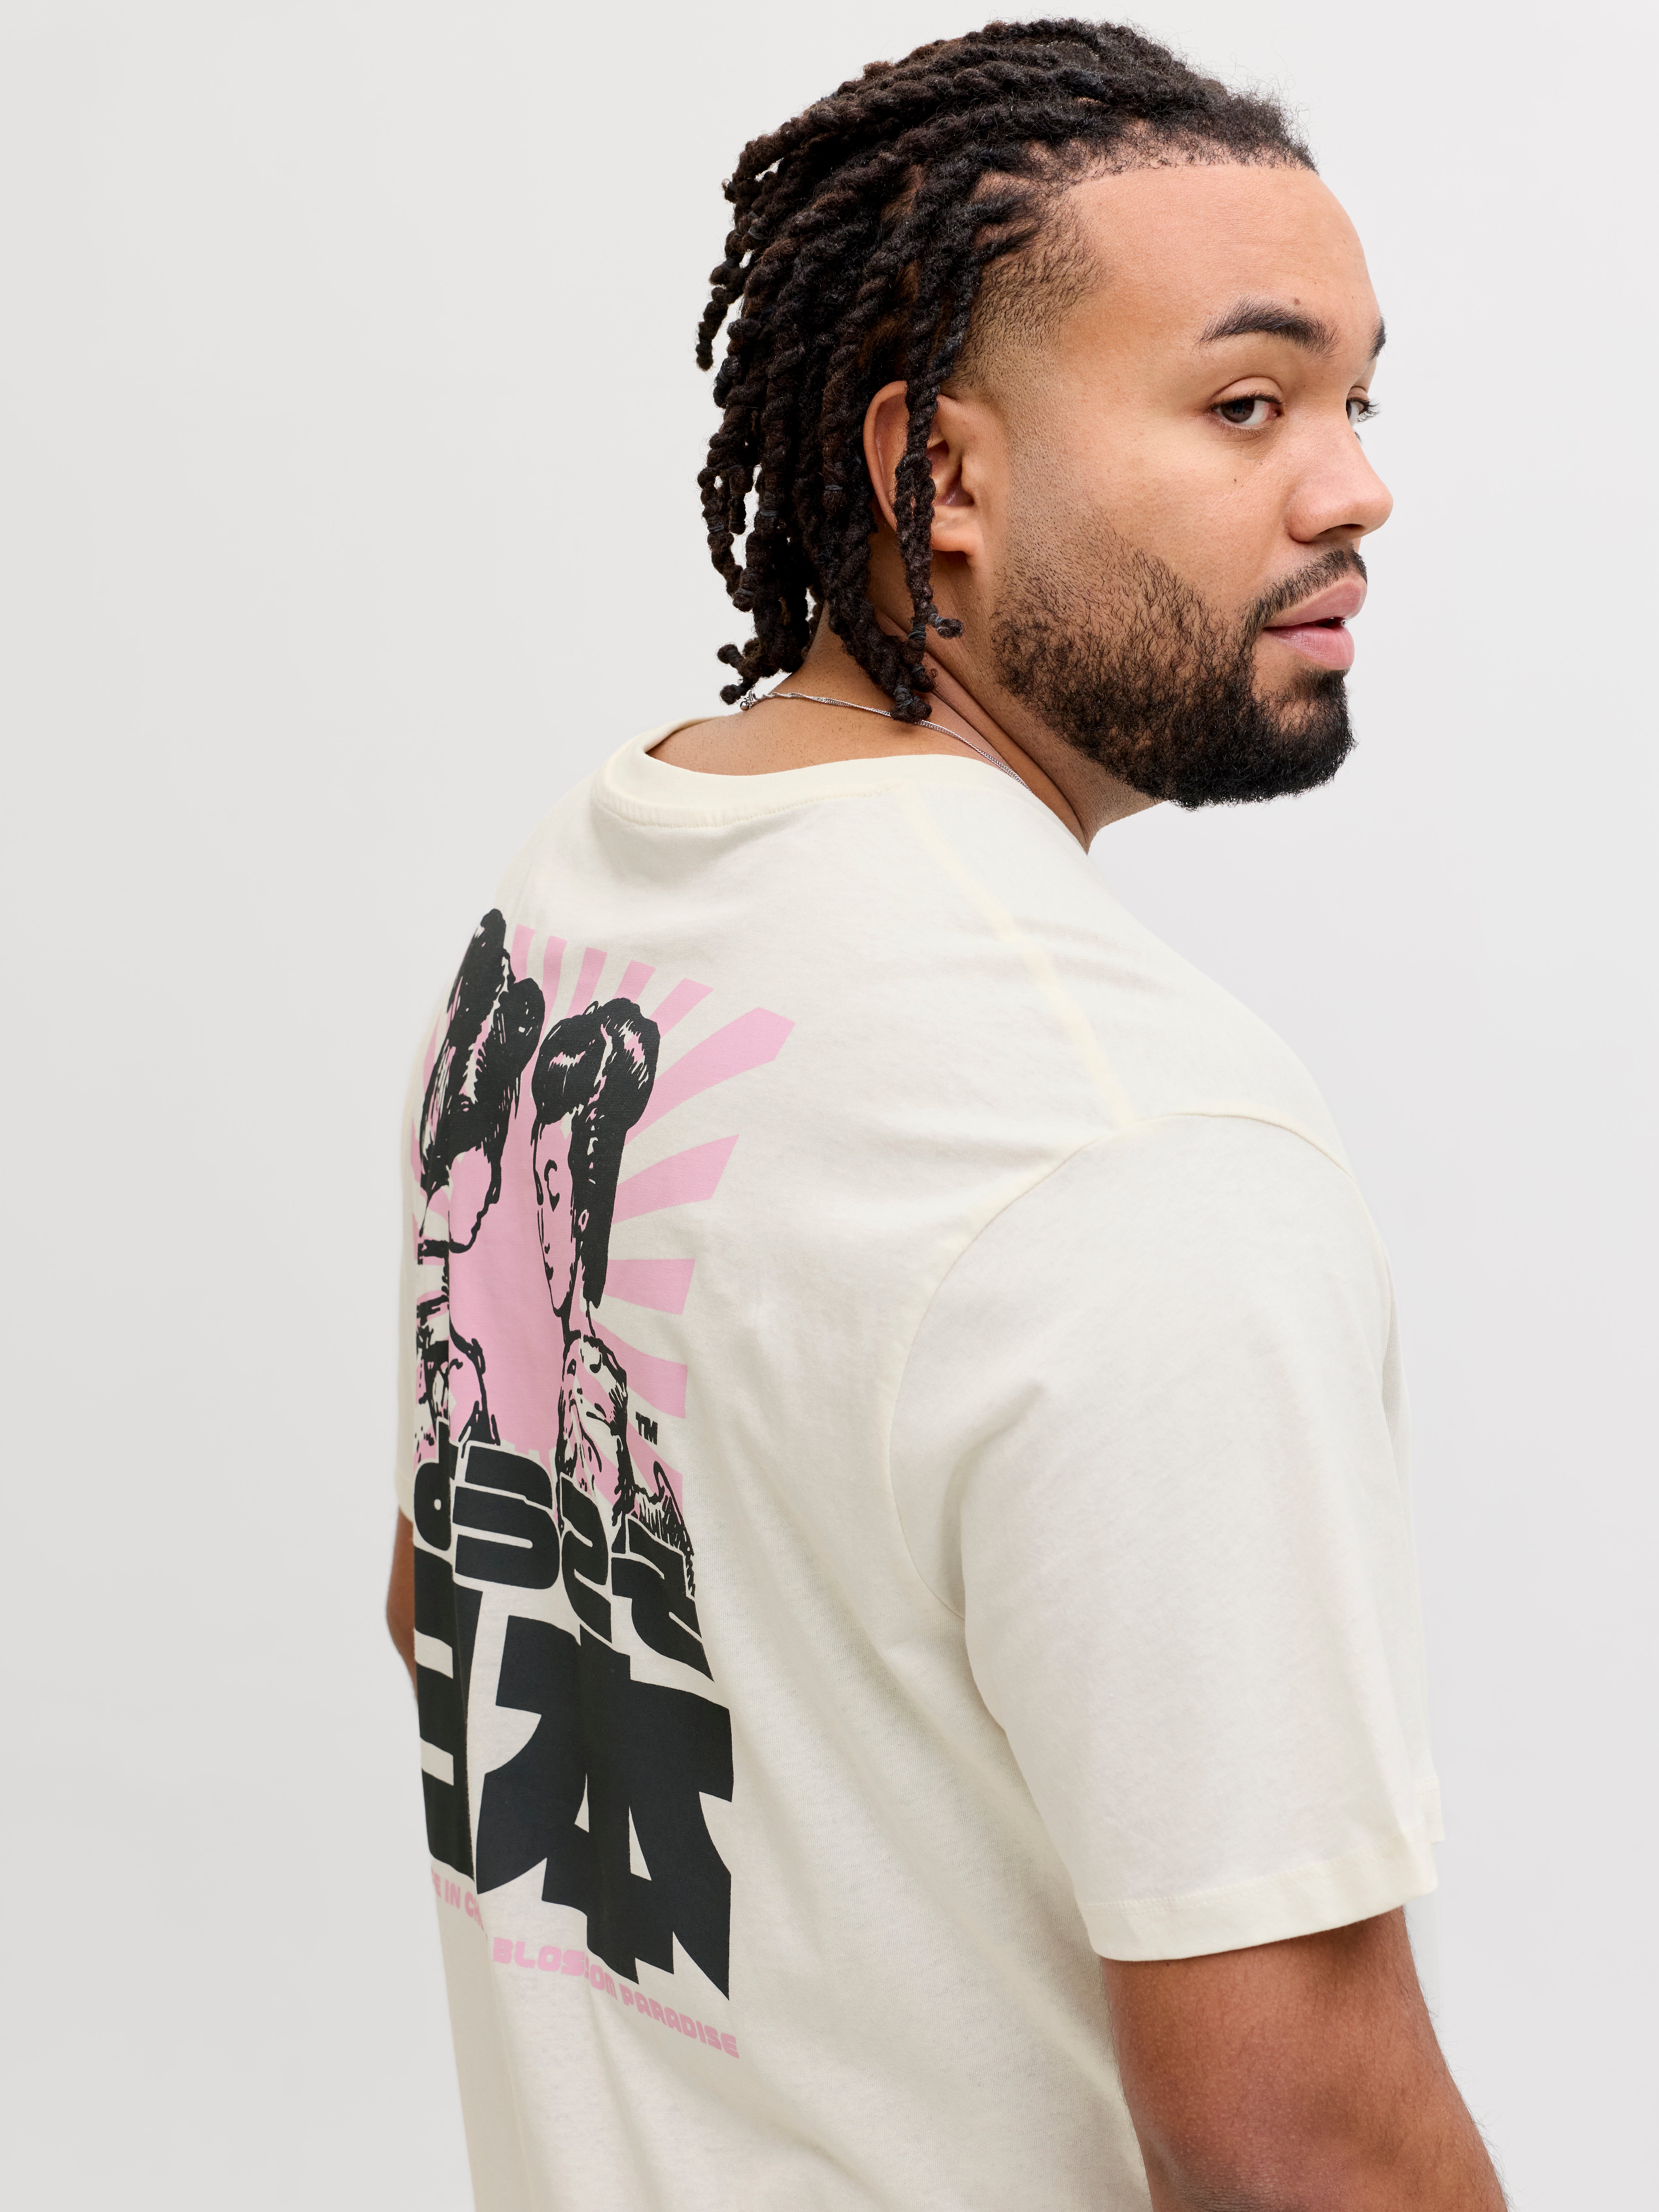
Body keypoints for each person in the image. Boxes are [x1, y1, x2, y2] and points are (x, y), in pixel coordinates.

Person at [385, 19, 1507, 2207]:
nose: (1351, 488)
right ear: (941, 475)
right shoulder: (1129, 1146)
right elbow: (1296, 2126)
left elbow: (460, 1599)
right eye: (1246, 404)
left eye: (1356, 403)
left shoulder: (582, 911)